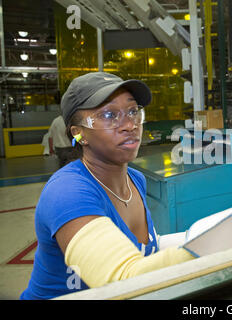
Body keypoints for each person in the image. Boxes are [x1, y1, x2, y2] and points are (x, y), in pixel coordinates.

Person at [20, 72, 195, 300]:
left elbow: (146, 247)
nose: (130, 125)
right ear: (79, 134)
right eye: (109, 115)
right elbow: (124, 281)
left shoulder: (135, 179)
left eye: (133, 111)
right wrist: (223, 242)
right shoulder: (67, 193)